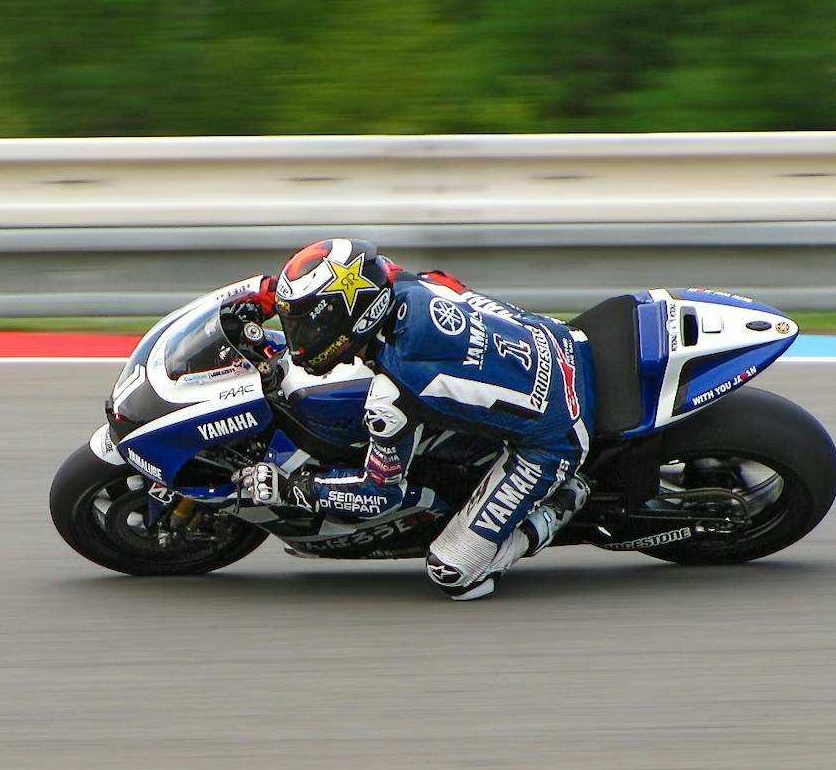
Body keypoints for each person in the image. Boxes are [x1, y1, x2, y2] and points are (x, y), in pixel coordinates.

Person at [223, 238, 595, 602]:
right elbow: (445, 282)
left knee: (454, 573)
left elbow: (380, 494)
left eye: (308, 326)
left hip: (557, 434)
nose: (300, 339)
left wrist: (293, 489)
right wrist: (265, 295)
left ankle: (562, 502)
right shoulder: (400, 282)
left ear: (347, 321)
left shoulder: (392, 392)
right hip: (557, 339)